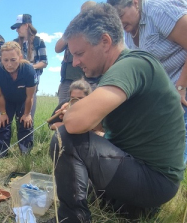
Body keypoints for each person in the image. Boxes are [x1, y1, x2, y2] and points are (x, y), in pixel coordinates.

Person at [49, 3, 185, 222]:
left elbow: (74, 124)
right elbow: (105, 125)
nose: (75, 62)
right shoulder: (122, 70)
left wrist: (74, 112)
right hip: (143, 177)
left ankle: (72, 219)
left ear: (105, 41)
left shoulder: (132, 64)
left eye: (80, 53)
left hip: (154, 181)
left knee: (64, 138)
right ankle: (127, 207)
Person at [107, 0, 187, 164]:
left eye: (121, 15)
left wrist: (180, 87)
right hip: (166, 93)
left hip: (182, 87)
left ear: (135, 3)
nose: (121, 23)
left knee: (178, 152)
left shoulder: (158, 12)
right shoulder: (129, 31)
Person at [0, 41, 37, 157]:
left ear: (20, 57)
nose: (9, 64)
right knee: (2, 123)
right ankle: (1, 152)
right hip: (6, 100)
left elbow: (29, 96)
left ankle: (26, 152)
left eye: (13, 60)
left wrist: (27, 114)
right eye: (5, 60)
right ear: (1, 59)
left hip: (24, 99)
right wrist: (3, 113)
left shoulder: (29, 71)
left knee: (25, 123)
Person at [55, 1, 98, 104]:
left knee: (88, 109)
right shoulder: (73, 30)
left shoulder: (97, 29)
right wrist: (72, 29)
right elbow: (57, 48)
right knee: (63, 109)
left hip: (89, 80)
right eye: (83, 13)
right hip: (68, 79)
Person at [11, 14, 47, 118]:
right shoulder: (15, 43)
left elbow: (44, 62)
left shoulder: (38, 41)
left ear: (26, 25)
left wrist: (30, 67)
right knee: (17, 115)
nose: (17, 30)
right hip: (15, 82)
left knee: (28, 115)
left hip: (31, 83)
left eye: (18, 27)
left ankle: (27, 134)